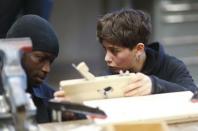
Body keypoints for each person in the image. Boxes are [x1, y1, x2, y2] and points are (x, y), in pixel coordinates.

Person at [96, 8, 198, 96]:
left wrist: (156, 86)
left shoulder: (171, 67)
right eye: (105, 49)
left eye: (115, 51)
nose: (107, 58)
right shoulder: (108, 74)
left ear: (139, 49)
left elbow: (193, 96)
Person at [6, 14, 58, 123]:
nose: (47, 69)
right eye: (40, 58)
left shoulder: (49, 97)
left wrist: (69, 114)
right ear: (15, 52)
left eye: (50, 62)